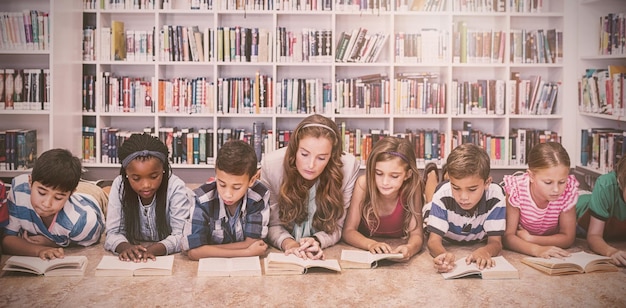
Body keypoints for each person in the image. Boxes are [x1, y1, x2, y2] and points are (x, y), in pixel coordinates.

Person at [260, 114, 359, 260]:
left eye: (321, 158)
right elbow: (272, 224)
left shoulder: (348, 166)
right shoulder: (271, 165)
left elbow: (337, 226)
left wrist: (317, 240)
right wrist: (290, 245)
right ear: (294, 149)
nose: (311, 165)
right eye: (304, 154)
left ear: (332, 157)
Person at [1, 149, 104, 259]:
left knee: (103, 191)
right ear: (30, 182)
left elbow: (89, 241)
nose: (46, 203)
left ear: (70, 194)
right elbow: (7, 240)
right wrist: (40, 250)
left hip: (92, 195)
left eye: (58, 198)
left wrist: (53, 243)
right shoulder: (19, 190)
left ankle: (105, 186)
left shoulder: (82, 222)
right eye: (41, 193)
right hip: (66, 190)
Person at [104, 133, 193, 262]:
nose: (146, 185)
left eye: (153, 176)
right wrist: (126, 248)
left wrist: (152, 250)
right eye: (136, 178)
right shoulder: (119, 185)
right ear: (126, 174)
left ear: (163, 169)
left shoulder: (175, 187)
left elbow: (181, 235)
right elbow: (113, 233)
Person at [422, 143, 506, 273]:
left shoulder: (496, 196)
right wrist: (442, 255)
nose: (463, 197)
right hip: (440, 208)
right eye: (456, 188)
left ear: (487, 183)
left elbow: (496, 242)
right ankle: (431, 175)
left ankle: (445, 174)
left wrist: (485, 251)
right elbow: (433, 241)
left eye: (472, 189)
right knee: (429, 203)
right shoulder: (443, 195)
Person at [181, 140, 270, 260]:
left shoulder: (258, 196)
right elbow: (194, 252)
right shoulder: (202, 199)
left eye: (237, 187)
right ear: (216, 173)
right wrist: (247, 252)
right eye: (222, 184)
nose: (228, 194)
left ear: (252, 180)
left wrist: (207, 250)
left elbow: (254, 243)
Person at [342, 136, 424, 261]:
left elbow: (417, 234)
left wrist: (410, 248)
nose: (385, 182)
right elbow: (348, 231)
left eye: (394, 176)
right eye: (379, 173)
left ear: (407, 175)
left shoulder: (413, 187)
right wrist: (370, 244)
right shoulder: (363, 184)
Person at [502, 142, 579, 258]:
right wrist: (537, 250)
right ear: (531, 176)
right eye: (548, 182)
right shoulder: (516, 189)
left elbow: (568, 238)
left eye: (562, 182)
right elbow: (508, 237)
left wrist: (531, 239)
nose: (556, 189)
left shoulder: (567, 191)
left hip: (530, 237)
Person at [576, 154, 626, 266]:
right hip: (579, 215)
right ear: (621, 182)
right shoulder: (605, 184)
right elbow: (594, 236)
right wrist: (612, 252)